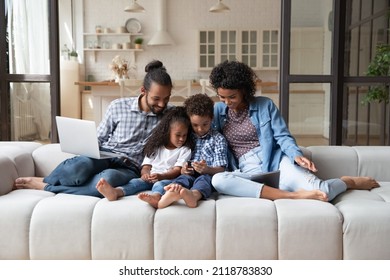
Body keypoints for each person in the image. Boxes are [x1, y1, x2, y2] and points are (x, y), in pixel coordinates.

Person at [209, 60, 379, 202]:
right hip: (246, 169)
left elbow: (282, 136)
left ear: (244, 91)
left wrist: (296, 155)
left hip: (276, 162)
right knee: (218, 180)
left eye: (232, 97)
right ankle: (292, 195)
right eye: (222, 97)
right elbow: (203, 134)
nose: (227, 102)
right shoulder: (217, 111)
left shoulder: (264, 105)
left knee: (323, 193)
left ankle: (347, 182)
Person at [14, 60, 173, 197]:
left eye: (166, 99)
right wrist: (85, 148)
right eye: (156, 98)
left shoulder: (170, 116)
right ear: (143, 91)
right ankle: (50, 179)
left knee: (105, 182)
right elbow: (100, 138)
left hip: (131, 167)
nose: (161, 104)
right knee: (79, 167)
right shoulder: (118, 106)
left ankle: (46, 185)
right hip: (106, 154)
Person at [139, 93, 228, 208]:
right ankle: (171, 193)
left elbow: (222, 168)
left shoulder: (218, 139)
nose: (200, 129)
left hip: (207, 174)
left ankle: (194, 196)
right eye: (195, 125)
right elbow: (178, 161)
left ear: (211, 119)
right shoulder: (186, 135)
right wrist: (183, 170)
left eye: (205, 124)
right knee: (182, 179)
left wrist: (207, 169)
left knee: (204, 181)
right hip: (188, 174)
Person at [96, 106, 193, 201]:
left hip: (168, 179)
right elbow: (146, 166)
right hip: (151, 177)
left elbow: (177, 170)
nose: (181, 139)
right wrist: (145, 175)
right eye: (178, 135)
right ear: (168, 132)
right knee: (135, 182)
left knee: (159, 185)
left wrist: (161, 176)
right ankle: (116, 192)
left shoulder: (184, 150)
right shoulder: (156, 146)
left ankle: (156, 196)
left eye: (184, 135)